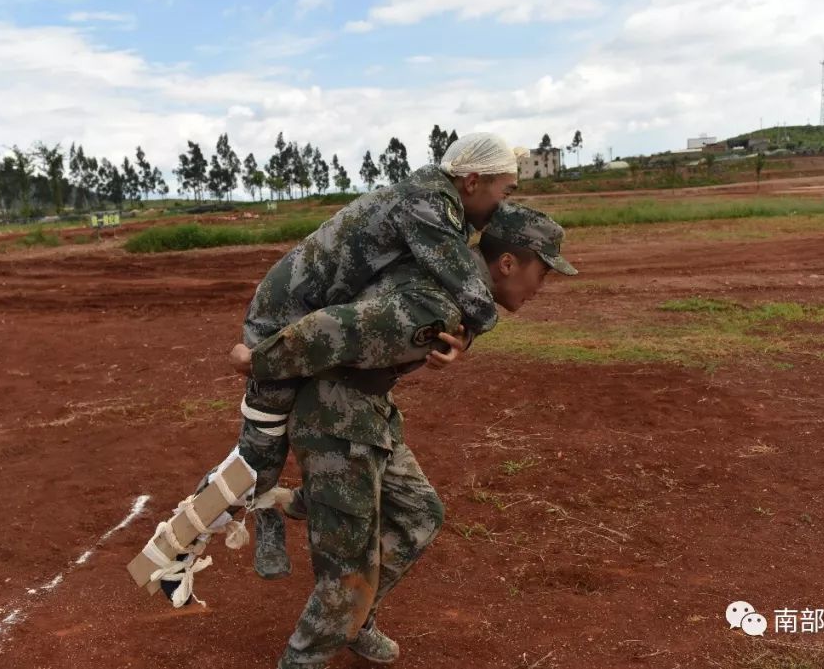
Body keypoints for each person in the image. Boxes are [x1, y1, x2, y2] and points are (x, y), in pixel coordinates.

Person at [230, 203, 578, 669]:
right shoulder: (438, 299)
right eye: (543, 272)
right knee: (347, 572)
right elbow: (329, 331)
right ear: (508, 263)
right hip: (336, 420)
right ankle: (303, 659)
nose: (541, 287)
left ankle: (355, 614)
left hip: (370, 413)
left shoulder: (459, 289)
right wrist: (253, 362)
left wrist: (464, 339)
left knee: (419, 515)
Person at [227, 133, 520, 579]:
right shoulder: (426, 204)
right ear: (474, 181)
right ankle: (248, 520)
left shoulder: (444, 210)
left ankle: (287, 505)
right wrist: (467, 331)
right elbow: (474, 296)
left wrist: (454, 336)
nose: (504, 204)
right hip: (283, 318)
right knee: (260, 450)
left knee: (299, 430)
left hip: (321, 320)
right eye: (506, 190)